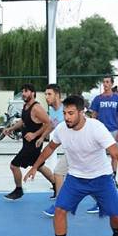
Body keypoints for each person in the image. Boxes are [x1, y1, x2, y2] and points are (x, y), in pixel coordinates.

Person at [24, 95, 118, 236]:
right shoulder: (61, 129)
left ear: (81, 113)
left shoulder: (96, 128)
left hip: (102, 178)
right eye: (65, 113)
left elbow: (117, 153)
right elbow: (50, 148)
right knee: (59, 210)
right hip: (76, 178)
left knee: (117, 215)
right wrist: (35, 167)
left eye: (71, 113)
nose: (67, 117)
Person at [3, 83, 55, 201]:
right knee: (40, 166)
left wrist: (35, 135)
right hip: (27, 143)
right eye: (22, 91)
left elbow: (48, 123)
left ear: (32, 93)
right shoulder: (26, 106)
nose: (23, 93)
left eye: (26, 91)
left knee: (14, 165)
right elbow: (23, 121)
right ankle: (56, 185)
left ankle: (18, 190)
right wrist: (11, 129)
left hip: (33, 144)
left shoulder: (37, 107)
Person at [89, 76, 118, 195]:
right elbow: (94, 115)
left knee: (115, 156)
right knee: (98, 156)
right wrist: (92, 130)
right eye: (104, 82)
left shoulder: (117, 98)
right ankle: (99, 180)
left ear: (112, 84)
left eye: (107, 82)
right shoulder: (97, 99)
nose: (105, 84)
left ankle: (113, 178)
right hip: (100, 131)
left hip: (114, 130)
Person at [43, 83, 69, 217]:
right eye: (45, 94)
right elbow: (53, 125)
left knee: (87, 179)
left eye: (49, 94)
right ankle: (59, 205)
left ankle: (59, 206)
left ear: (57, 95)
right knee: (59, 173)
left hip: (80, 149)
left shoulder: (66, 109)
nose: (46, 97)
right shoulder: (53, 110)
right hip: (71, 149)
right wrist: (42, 137)